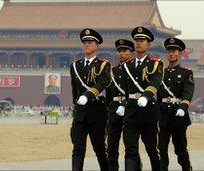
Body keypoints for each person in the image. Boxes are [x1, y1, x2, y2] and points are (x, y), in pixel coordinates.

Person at [120, 26, 163, 171]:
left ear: (148, 44)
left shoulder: (155, 64)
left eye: (142, 40)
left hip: (148, 112)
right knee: (130, 149)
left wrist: (146, 96)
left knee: (151, 150)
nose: (138, 43)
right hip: (131, 111)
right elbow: (126, 90)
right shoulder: (127, 66)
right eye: (137, 40)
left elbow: (156, 82)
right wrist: (124, 104)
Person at [70, 28, 111, 171]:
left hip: (97, 111)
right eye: (84, 42)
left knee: (99, 148)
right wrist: (76, 104)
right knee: (78, 148)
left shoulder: (104, 65)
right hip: (80, 113)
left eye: (90, 42)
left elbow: (102, 84)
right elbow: (74, 89)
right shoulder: (75, 66)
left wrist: (86, 96)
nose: (86, 45)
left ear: (97, 45)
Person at [157, 37, 194, 171]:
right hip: (164, 115)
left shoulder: (186, 73)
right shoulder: (161, 73)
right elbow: (158, 96)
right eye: (169, 51)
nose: (171, 54)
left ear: (180, 53)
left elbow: (188, 92)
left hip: (179, 115)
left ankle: (186, 167)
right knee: (161, 147)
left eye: (174, 51)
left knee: (180, 148)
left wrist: (183, 107)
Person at [105, 39, 142, 171]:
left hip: (131, 110)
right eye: (119, 51)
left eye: (124, 51)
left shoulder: (136, 71)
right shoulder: (112, 72)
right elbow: (109, 95)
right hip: (115, 111)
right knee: (112, 145)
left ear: (131, 53)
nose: (121, 54)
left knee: (131, 146)